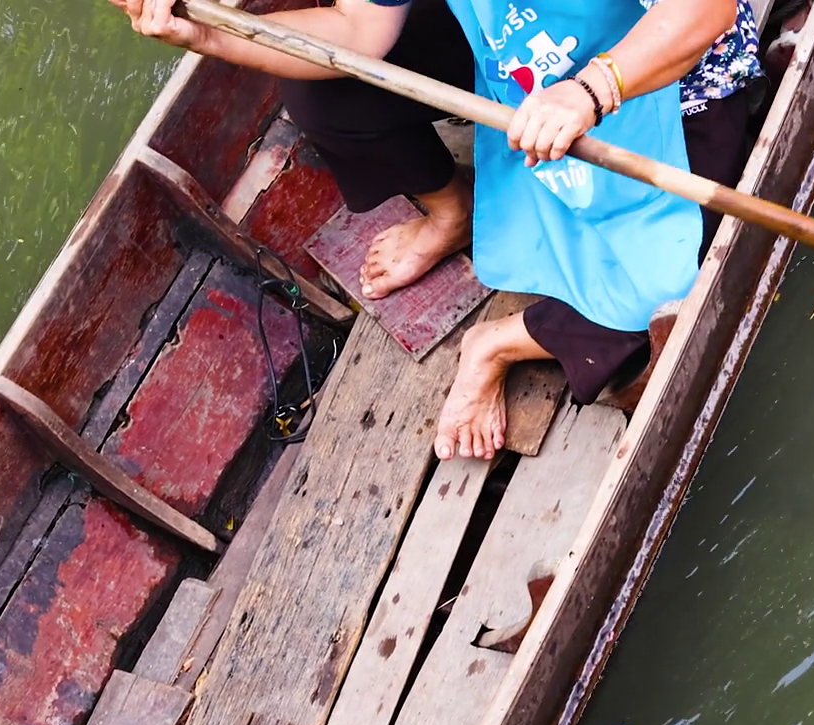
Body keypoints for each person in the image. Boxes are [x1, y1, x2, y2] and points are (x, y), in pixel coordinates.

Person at [112, 0, 764, 460]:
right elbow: (359, 29)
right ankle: (452, 208)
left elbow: (702, 10)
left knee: (681, 290)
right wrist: (208, 34)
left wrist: (591, 91)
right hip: (522, 65)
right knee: (324, 91)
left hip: (672, 84)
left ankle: (499, 344)